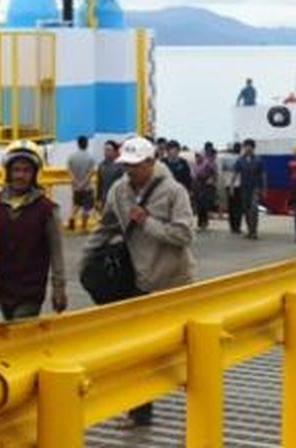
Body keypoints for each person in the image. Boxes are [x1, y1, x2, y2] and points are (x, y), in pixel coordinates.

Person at [83, 136, 195, 428]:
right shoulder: (119, 191)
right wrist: (87, 257)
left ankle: (189, 385)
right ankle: (140, 411)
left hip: (174, 282)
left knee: (175, 346)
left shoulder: (174, 191)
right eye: (125, 165)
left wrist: (147, 222)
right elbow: (106, 224)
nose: (129, 171)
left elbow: (185, 235)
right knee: (139, 351)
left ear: (150, 162)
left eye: (134, 165)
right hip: (141, 280)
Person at [0, 140, 67, 321]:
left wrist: (59, 289)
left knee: (20, 330)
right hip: (3, 286)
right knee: (12, 332)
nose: (20, 175)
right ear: (8, 172)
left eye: (26, 171)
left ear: (34, 175)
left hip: (30, 288)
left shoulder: (47, 209)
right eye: (16, 170)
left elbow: (57, 253)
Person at [230, 139, 265, 238]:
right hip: (244, 188)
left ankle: (254, 231)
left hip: (255, 188)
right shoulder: (240, 160)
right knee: (246, 210)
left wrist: (264, 189)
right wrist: (232, 186)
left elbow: (263, 175)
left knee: (253, 210)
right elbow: (235, 173)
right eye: (245, 146)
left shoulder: (258, 160)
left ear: (253, 148)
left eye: (249, 146)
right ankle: (250, 230)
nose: (247, 148)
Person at [66, 135, 96, 231]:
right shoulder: (90, 158)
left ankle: (72, 217)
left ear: (78, 144)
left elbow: (69, 171)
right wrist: (83, 184)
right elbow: (90, 173)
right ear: (86, 144)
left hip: (76, 187)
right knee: (86, 208)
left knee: (76, 205)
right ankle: (84, 227)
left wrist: (76, 183)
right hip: (87, 187)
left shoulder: (71, 157)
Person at [192, 142, 218, 230]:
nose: (198, 158)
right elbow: (195, 174)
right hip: (197, 184)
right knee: (199, 204)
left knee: (204, 204)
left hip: (206, 184)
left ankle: (204, 221)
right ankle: (200, 222)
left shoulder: (210, 162)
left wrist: (212, 180)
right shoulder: (196, 165)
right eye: (197, 156)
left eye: (199, 156)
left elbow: (214, 173)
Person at [95, 140, 124, 212]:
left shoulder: (121, 166)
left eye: (108, 150)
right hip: (104, 199)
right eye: (105, 150)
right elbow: (100, 183)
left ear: (115, 151)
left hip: (118, 200)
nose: (106, 152)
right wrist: (98, 199)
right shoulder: (101, 166)